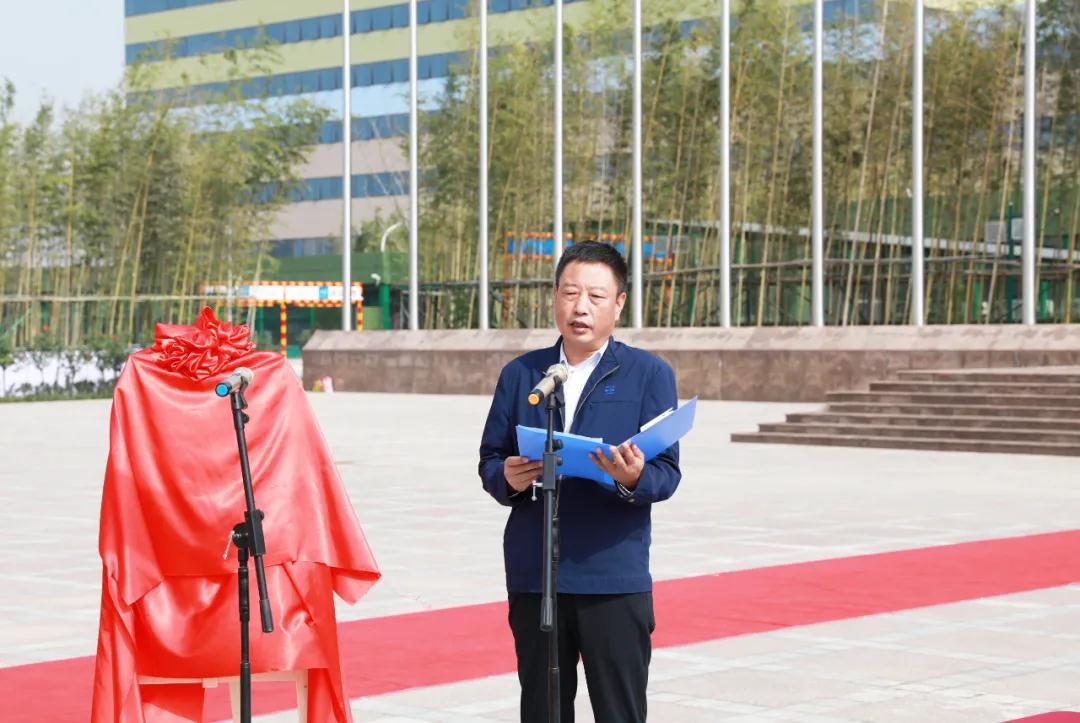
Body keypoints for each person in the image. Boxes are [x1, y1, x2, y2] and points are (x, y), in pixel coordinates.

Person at [479, 241, 682, 722]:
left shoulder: (648, 374)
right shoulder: (523, 375)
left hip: (612, 576)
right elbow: (490, 460)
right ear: (554, 297)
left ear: (619, 303)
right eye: (570, 293)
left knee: (620, 711)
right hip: (536, 577)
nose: (580, 307)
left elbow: (667, 472)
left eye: (595, 295)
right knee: (543, 710)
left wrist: (632, 477)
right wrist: (507, 477)